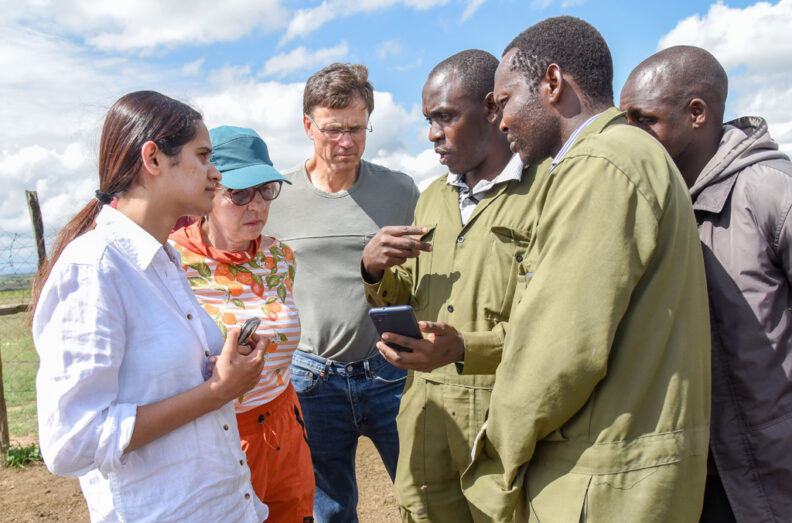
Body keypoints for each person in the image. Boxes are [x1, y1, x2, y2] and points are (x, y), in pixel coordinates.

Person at [459, 17, 712, 522]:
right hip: (624, 472)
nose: (500, 122)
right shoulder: (629, 155)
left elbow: (559, 348)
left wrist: (493, 461)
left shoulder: (600, 164)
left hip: (602, 482)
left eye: (504, 102)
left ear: (552, 84)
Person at [31, 91, 269, 522]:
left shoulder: (162, 259)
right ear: (154, 159)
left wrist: (217, 371)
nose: (215, 174)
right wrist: (217, 391)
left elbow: (160, 381)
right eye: (202, 155)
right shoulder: (95, 267)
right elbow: (72, 442)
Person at [361, 49, 550, 522]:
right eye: (428, 119)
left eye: (444, 116)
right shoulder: (432, 198)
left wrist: (466, 348)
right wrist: (375, 270)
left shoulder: (546, 190)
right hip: (425, 417)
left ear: (492, 108)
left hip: (499, 420)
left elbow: (555, 328)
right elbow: (407, 290)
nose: (432, 134)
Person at [620, 46, 792, 523]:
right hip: (697, 471)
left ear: (697, 113)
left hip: (775, 470)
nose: (630, 135)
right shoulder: (653, 206)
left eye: (643, 119)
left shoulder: (772, 193)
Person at [263, 63, 420, 522]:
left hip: (388, 370)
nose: (346, 142)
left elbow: (420, 276)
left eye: (357, 128)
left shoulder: (400, 189)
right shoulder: (276, 197)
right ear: (308, 126)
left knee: (421, 493)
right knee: (329, 509)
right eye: (333, 130)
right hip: (312, 379)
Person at [169, 125, 315, 522]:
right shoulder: (171, 262)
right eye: (240, 194)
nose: (258, 206)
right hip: (217, 435)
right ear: (208, 190)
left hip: (285, 424)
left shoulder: (280, 258)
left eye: (266, 189)